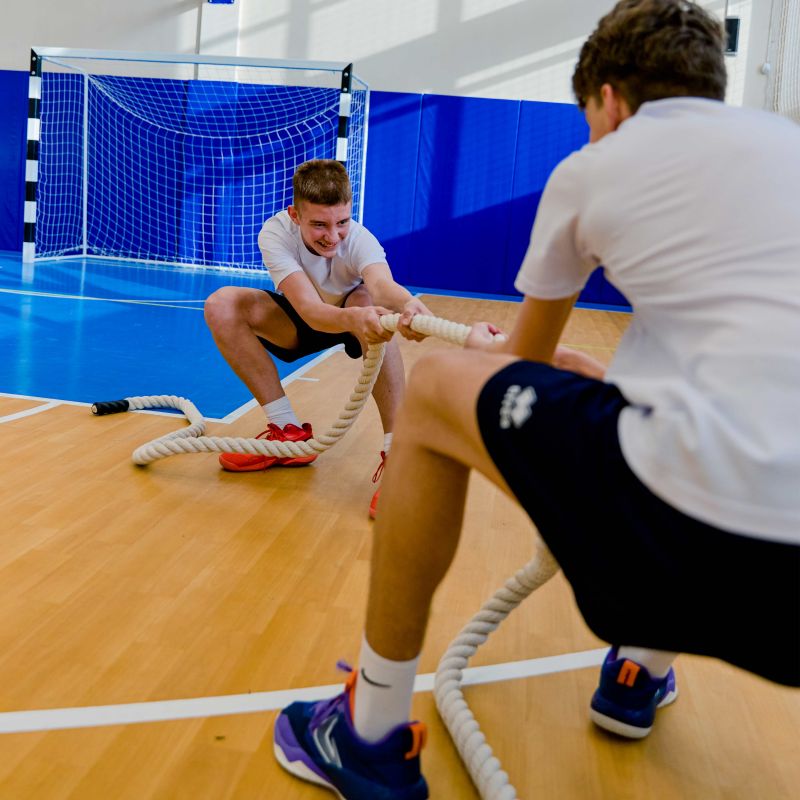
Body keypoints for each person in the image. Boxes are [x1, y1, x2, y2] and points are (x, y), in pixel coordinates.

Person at [272, 1, 800, 797]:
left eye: (588, 118)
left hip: (671, 555)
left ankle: (370, 730)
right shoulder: (786, 145)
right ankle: (638, 670)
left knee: (439, 389)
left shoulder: (595, 168)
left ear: (609, 99)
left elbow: (519, 359)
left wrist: (503, 353)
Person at [204, 159, 431, 518]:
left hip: (356, 313)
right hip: (307, 316)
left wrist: (408, 304)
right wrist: (352, 319)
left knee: (374, 311)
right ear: (295, 215)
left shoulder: (360, 240)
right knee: (221, 304)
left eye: (342, 222)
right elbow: (310, 310)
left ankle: (398, 453)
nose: (333, 236)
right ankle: (288, 432)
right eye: (319, 225)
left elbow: (382, 286)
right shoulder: (276, 233)